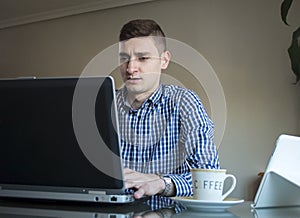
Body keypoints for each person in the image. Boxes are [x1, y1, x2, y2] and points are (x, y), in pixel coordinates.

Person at [116, 19, 220, 199]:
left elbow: (208, 178)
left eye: (143, 58)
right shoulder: (104, 105)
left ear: (164, 61)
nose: (131, 68)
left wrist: (162, 183)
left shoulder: (185, 102)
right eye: (124, 58)